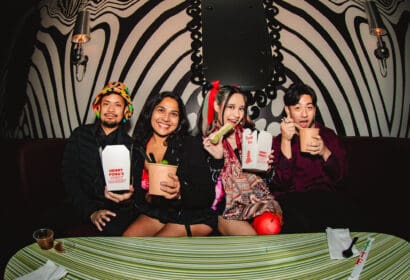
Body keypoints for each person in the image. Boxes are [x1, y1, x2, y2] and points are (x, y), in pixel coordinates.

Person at [122, 91, 223, 237]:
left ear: (179, 120)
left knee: (155, 247)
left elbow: (207, 195)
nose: (166, 118)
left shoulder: (190, 145)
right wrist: (130, 196)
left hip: (192, 214)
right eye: (161, 110)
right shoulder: (138, 146)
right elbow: (140, 195)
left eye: (174, 114)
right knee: (128, 241)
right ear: (151, 112)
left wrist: (180, 193)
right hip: (159, 212)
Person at [268, 82, 357, 232]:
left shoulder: (328, 136)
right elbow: (280, 184)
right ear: (287, 111)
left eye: (309, 108)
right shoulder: (278, 141)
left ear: (315, 110)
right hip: (292, 202)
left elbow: (343, 178)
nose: (304, 114)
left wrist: (324, 152)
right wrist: (286, 141)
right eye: (297, 108)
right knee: (292, 215)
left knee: (342, 208)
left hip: (324, 200)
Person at [199, 81, 282, 236]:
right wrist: (217, 160)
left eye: (241, 109)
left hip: (255, 201)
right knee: (250, 239)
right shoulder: (206, 141)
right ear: (217, 106)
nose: (236, 114)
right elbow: (204, 191)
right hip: (224, 210)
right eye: (231, 107)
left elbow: (269, 181)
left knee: (271, 227)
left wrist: (267, 169)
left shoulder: (250, 137)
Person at [62, 81, 138, 236]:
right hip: (79, 206)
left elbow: (135, 190)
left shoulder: (131, 146)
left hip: (114, 211)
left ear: (125, 111)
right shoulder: (79, 135)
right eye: (106, 103)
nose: (111, 109)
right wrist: (91, 211)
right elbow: (69, 177)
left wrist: (127, 200)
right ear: (98, 107)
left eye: (117, 105)